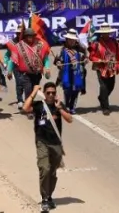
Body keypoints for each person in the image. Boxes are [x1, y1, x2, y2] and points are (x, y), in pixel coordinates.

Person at [23, 82, 72, 212]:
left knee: (52, 172)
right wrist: (34, 92)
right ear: (44, 94)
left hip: (56, 143)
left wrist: (60, 108)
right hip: (42, 141)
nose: (51, 95)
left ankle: (49, 196)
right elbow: (25, 108)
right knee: (44, 168)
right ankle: (44, 199)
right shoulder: (39, 106)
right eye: (48, 93)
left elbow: (70, 119)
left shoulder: (59, 106)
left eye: (53, 93)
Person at [6, 27, 52, 113]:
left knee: (34, 91)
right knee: (28, 90)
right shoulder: (18, 46)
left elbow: (45, 58)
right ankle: (28, 110)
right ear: (25, 36)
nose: (30, 37)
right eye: (28, 36)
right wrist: (9, 71)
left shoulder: (40, 45)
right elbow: (13, 59)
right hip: (25, 74)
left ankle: (29, 105)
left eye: (32, 35)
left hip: (37, 74)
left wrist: (47, 68)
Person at [87, 23, 119, 115]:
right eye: (104, 33)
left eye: (107, 33)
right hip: (101, 68)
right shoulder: (96, 44)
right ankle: (106, 107)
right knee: (103, 86)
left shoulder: (114, 42)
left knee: (111, 86)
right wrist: (100, 60)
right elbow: (91, 57)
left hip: (112, 68)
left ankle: (102, 98)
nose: (106, 34)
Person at [54, 30, 87, 114]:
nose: (71, 41)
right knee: (67, 90)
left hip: (77, 74)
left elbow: (85, 58)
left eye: (73, 39)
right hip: (66, 73)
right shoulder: (62, 49)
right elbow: (57, 60)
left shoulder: (80, 49)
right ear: (67, 39)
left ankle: (72, 107)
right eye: (70, 39)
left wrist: (85, 60)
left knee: (75, 91)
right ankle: (67, 105)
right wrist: (58, 63)